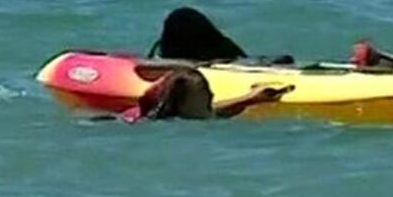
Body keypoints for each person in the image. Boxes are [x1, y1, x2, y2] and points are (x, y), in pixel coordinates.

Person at [111, 67, 292, 123]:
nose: (212, 95)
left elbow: (212, 111)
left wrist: (251, 99)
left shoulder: (187, 113)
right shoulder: (167, 127)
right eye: (204, 94)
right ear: (181, 106)